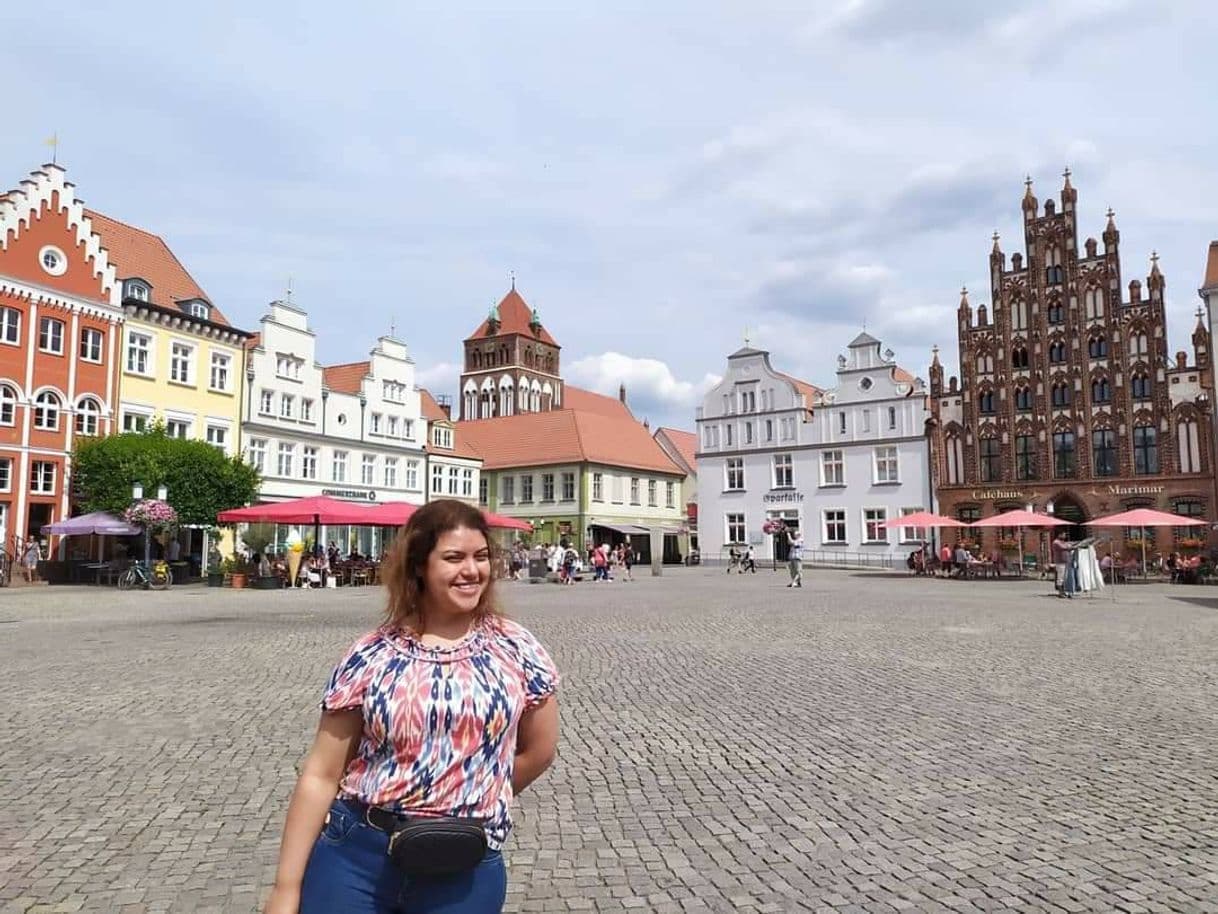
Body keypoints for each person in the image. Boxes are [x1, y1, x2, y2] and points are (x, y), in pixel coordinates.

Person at [264, 499, 559, 914]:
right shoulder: (372, 653)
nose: (471, 570)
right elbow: (321, 772)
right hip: (358, 859)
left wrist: (472, 795)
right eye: (453, 558)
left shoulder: (516, 647)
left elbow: (539, 751)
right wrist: (285, 888)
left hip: (463, 867)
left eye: (480, 557)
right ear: (419, 565)